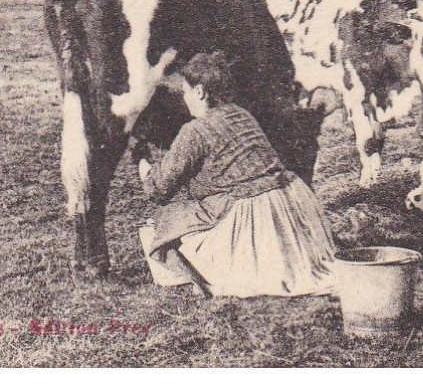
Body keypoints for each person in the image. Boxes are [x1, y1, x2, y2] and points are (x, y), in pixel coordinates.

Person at [135, 52, 338, 298]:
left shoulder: (195, 130)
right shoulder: (241, 114)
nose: (185, 98)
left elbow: (158, 189)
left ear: (199, 92)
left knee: (167, 221)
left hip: (255, 216)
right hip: (293, 203)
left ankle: (208, 269)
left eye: (186, 91)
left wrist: (143, 165)